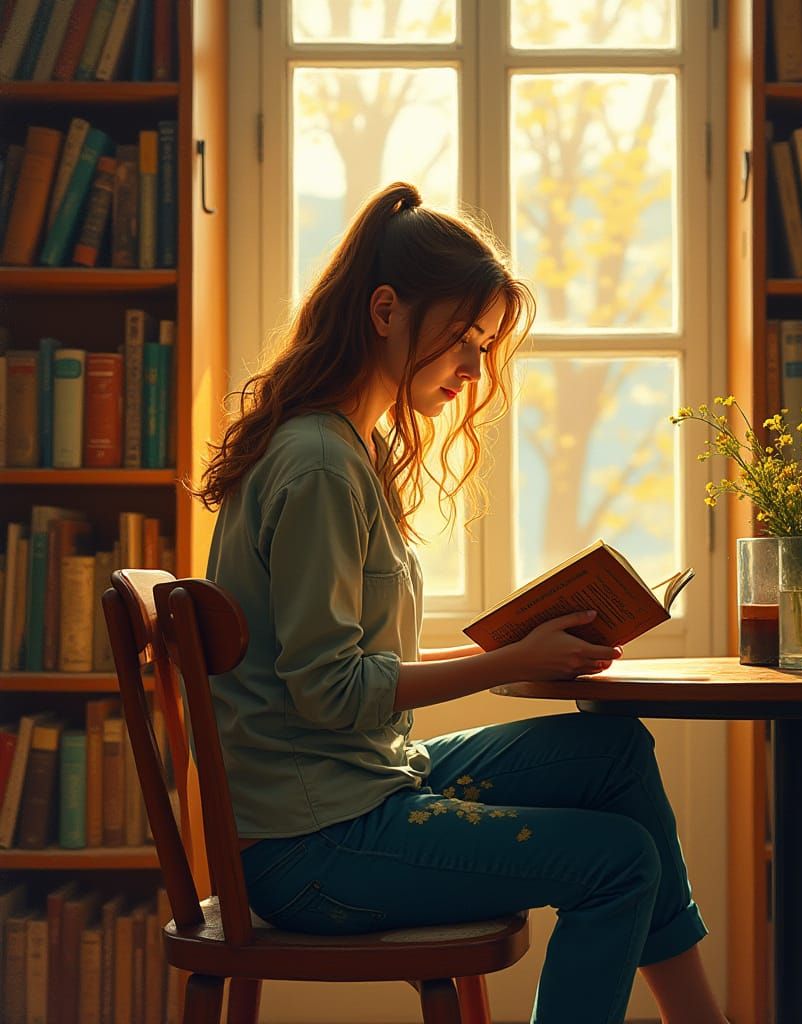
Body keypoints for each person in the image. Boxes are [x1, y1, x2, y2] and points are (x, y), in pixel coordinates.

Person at [195, 181, 726, 1024]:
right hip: (312, 849)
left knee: (614, 753)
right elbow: (328, 692)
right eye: (462, 340)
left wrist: (520, 649)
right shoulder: (323, 466)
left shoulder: (347, 448)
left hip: (357, 792)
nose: (475, 369)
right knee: (619, 860)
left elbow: (345, 671)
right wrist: (511, 661)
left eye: (483, 344)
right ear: (384, 311)